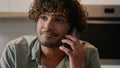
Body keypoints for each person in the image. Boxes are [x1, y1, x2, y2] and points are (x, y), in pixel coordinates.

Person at [0, 0, 101, 68]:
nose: (47, 26)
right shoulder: (15, 51)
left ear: (72, 28)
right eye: (43, 18)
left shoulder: (89, 54)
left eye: (58, 20)